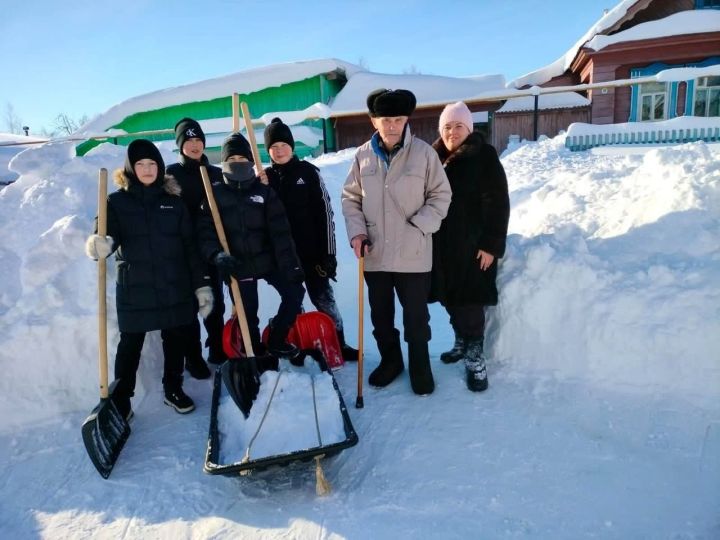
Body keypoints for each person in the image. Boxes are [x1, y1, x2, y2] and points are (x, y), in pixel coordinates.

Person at [84, 139, 213, 418]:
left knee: (176, 338)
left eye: (152, 163)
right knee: (130, 344)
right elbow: (104, 234)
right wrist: (100, 244)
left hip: (173, 284)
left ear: (160, 167)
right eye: (140, 164)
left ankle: (173, 389)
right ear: (131, 168)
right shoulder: (115, 202)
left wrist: (201, 284)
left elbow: (190, 247)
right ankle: (121, 399)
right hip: (135, 288)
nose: (146, 169)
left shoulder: (173, 203)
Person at [341, 89, 451, 395]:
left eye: (398, 119)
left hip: (413, 254)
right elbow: (350, 199)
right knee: (381, 316)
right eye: (385, 119)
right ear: (375, 121)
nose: (391, 125)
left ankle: (419, 366)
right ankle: (392, 362)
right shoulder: (362, 156)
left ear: (406, 120)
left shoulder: (424, 154)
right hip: (374, 252)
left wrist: (420, 226)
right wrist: (358, 233)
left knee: (416, 317)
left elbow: (441, 195)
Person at [196, 131, 305, 358]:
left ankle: (276, 338)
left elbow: (281, 233)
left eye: (242, 159)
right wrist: (217, 256)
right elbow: (205, 234)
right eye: (232, 160)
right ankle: (255, 352)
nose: (237, 164)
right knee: (247, 314)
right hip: (238, 264)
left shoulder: (263, 192)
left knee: (295, 293)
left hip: (267, 260)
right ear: (224, 163)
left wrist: (291, 265)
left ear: (251, 162)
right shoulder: (214, 195)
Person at [263, 117, 359, 361]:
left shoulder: (308, 173)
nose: (279, 150)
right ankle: (298, 344)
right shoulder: (264, 180)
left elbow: (325, 214)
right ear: (268, 151)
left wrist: (328, 254)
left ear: (292, 146)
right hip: (284, 256)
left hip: (312, 254)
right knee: (294, 302)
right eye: (273, 147)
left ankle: (339, 342)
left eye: (283, 144)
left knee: (324, 300)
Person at [430, 101, 510, 392]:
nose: (453, 132)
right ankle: (460, 341)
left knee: (471, 302)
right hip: (441, 246)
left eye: (459, 126)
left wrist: (491, 244)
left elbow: (498, 201)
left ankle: (476, 356)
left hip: (473, 246)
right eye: (447, 127)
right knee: (450, 299)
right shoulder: (434, 158)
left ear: (469, 129)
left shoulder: (483, 155)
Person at [166, 118, 225, 378]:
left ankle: (217, 346)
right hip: (183, 252)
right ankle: (193, 357)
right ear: (180, 145)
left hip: (211, 248)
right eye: (188, 141)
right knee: (190, 306)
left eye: (198, 140)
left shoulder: (215, 173)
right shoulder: (170, 176)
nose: (194, 145)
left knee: (216, 303)